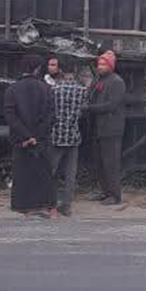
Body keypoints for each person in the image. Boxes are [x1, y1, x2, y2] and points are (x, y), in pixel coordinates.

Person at [3, 54, 56, 217]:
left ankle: (22, 205)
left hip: (20, 141)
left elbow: (11, 116)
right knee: (42, 172)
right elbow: (51, 116)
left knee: (21, 172)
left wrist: (26, 136)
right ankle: (44, 204)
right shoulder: (46, 89)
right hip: (40, 140)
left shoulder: (12, 89)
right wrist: (36, 136)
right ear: (38, 69)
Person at [85, 50, 126, 205]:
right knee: (99, 163)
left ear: (110, 66)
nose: (100, 67)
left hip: (111, 129)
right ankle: (105, 191)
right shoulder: (98, 80)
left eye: (103, 64)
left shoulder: (117, 82)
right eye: (99, 64)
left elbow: (111, 105)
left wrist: (90, 108)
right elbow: (90, 97)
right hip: (98, 128)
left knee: (111, 163)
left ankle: (115, 196)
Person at [47, 62, 87, 217]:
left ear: (61, 71)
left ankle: (50, 203)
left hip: (56, 136)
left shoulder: (54, 90)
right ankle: (66, 206)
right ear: (75, 71)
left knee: (51, 171)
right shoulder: (82, 90)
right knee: (71, 174)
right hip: (73, 136)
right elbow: (83, 111)